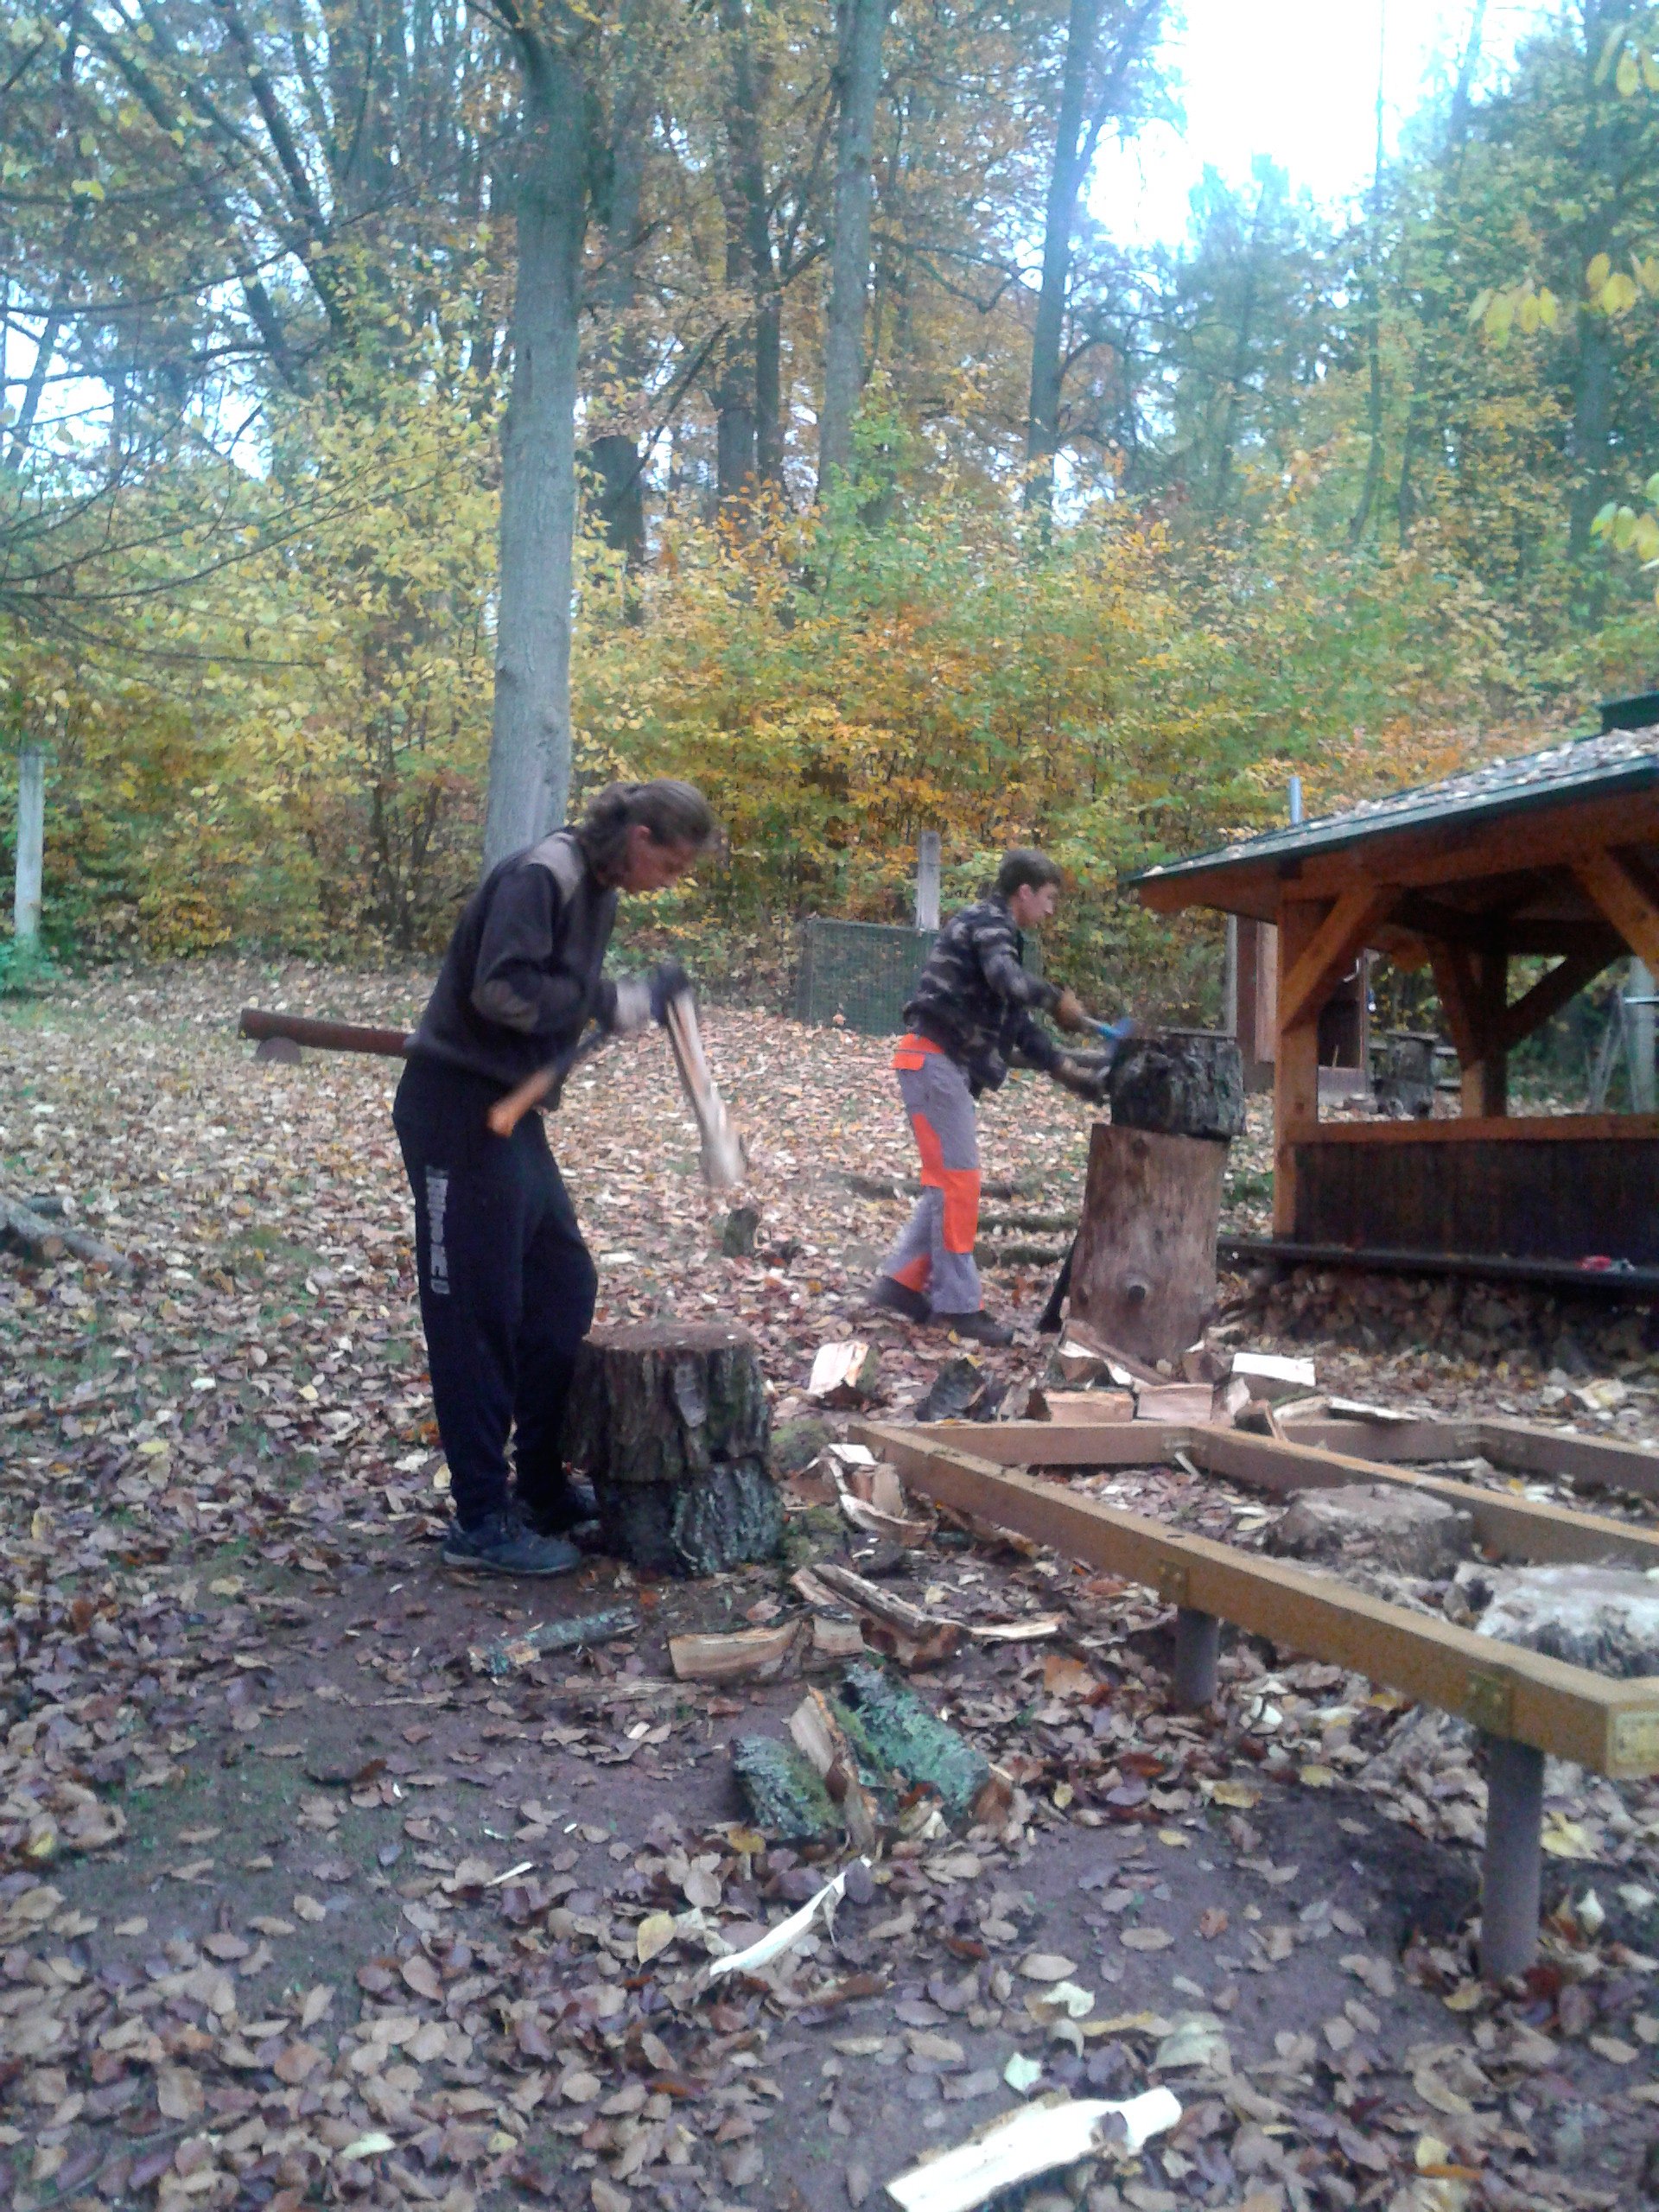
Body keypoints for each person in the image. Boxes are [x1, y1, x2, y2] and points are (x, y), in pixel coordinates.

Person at [395, 779, 718, 1574]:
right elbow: (501, 989)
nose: (668, 882)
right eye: (670, 866)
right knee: (476, 1312)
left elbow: (556, 988)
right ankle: (479, 1520)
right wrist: (607, 999)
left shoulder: (597, 886)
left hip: (512, 1115)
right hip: (458, 1111)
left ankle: (538, 1484)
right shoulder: (544, 874)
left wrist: (614, 999)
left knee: (562, 1286)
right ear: (639, 837)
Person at [866, 848, 1114, 1346]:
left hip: (936, 1067)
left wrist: (1070, 1074)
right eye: (1048, 898)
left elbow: (1018, 1026)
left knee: (947, 1183)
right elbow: (1009, 981)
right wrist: (1054, 997)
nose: (1050, 910)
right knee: (958, 1184)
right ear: (1024, 892)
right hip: (933, 1063)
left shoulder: (998, 933)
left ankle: (899, 1285)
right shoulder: (988, 923)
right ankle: (959, 1307)